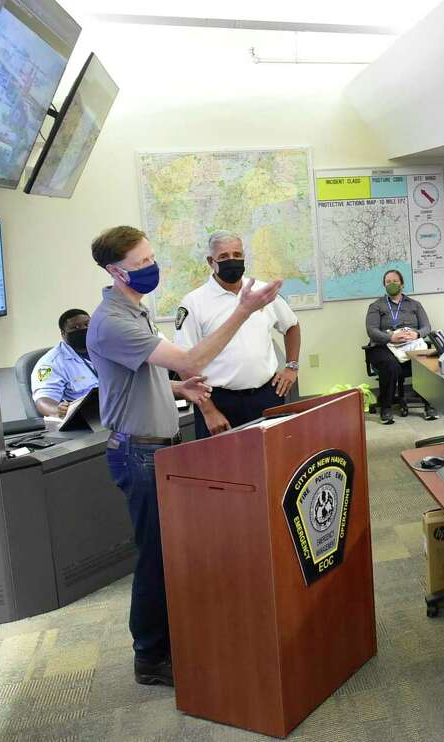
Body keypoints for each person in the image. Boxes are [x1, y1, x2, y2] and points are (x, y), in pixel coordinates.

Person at [86, 225, 282, 686]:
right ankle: (150, 657)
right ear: (115, 271)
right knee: (155, 557)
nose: (151, 267)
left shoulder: (134, 309)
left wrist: (178, 388)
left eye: (151, 258)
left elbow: (142, 374)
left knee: (170, 553)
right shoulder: (112, 320)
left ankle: (169, 643)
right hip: (138, 453)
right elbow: (192, 359)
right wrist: (244, 310)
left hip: (157, 448)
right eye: (141, 263)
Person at [176, 230, 301, 437]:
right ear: (211, 261)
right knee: (221, 466)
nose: (231, 261)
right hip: (218, 402)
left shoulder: (262, 292)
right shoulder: (193, 302)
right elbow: (184, 364)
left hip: (266, 396)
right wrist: (209, 411)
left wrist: (291, 367)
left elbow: (292, 326)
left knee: (270, 463)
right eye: (224, 257)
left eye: (237, 255)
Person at [365, 269, 434, 424]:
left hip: (411, 344)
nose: (392, 284)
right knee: (390, 365)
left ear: (402, 284)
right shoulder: (376, 306)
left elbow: (427, 327)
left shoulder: (415, 305)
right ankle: (386, 407)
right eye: (388, 282)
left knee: (428, 361)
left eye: (395, 281)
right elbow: (371, 331)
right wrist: (391, 337)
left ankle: (430, 404)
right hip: (385, 346)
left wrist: (416, 334)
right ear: (384, 285)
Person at [30, 309, 98, 418]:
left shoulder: (104, 350)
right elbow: (43, 400)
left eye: (87, 325)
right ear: (63, 334)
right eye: (75, 327)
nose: (84, 329)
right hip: (83, 420)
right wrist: (57, 409)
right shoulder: (50, 364)